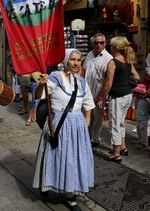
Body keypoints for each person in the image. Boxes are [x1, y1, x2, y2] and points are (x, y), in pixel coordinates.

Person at [33, 49, 95, 211]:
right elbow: (39, 95)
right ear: (66, 61)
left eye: (78, 60)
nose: (76, 63)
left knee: (72, 160)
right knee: (54, 156)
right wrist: (41, 83)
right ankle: (45, 184)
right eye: (72, 59)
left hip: (77, 126)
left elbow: (88, 103)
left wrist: (86, 121)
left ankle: (70, 196)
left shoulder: (81, 82)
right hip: (58, 124)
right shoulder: (55, 78)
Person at [98, 36, 140, 162]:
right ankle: (123, 147)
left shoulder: (113, 62)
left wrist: (101, 98)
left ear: (115, 48)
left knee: (114, 124)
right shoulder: (127, 60)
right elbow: (137, 77)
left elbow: (108, 84)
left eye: (111, 45)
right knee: (121, 122)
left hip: (117, 96)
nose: (110, 47)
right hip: (127, 95)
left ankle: (116, 153)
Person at [83, 33, 113, 147]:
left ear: (105, 44)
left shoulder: (108, 58)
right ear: (92, 44)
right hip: (87, 90)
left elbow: (107, 80)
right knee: (86, 115)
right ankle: (86, 136)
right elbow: (84, 70)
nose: (99, 45)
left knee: (98, 116)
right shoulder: (90, 54)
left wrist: (101, 97)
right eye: (96, 43)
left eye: (101, 43)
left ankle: (95, 138)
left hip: (98, 92)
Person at [132, 84, 150, 149]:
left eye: (137, 94)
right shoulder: (139, 100)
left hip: (145, 119)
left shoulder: (146, 100)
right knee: (139, 130)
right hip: (140, 119)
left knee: (143, 132)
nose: (136, 96)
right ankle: (140, 141)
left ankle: (144, 143)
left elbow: (149, 107)